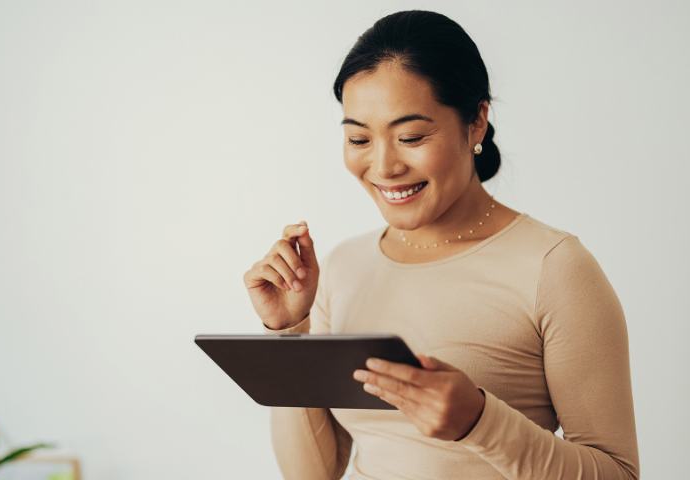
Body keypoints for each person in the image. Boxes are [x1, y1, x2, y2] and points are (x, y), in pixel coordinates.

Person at [242, 9, 639, 480]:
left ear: (476, 122)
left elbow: (618, 473)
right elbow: (313, 474)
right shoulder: (343, 268)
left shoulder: (554, 268)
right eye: (359, 138)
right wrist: (291, 335)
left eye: (410, 136)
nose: (384, 166)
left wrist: (480, 422)